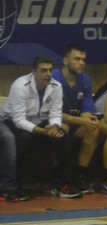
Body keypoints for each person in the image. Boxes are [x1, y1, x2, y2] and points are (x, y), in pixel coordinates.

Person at [1, 56, 81, 198]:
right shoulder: (20, 85)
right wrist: (42, 131)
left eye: (50, 70)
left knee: (62, 135)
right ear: (34, 72)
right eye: (44, 71)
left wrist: (54, 127)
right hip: (10, 121)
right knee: (23, 138)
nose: (48, 74)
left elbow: (55, 113)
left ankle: (65, 184)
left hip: (39, 122)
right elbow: (19, 120)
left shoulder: (56, 86)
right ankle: (15, 185)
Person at [53, 44, 104, 194]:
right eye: (77, 59)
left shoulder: (86, 79)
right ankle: (59, 178)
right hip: (55, 120)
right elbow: (54, 113)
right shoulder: (54, 78)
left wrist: (89, 120)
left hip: (75, 121)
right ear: (65, 61)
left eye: (83, 60)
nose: (81, 63)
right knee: (61, 130)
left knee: (93, 129)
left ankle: (80, 176)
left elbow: (87, 109)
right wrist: (82, 121)